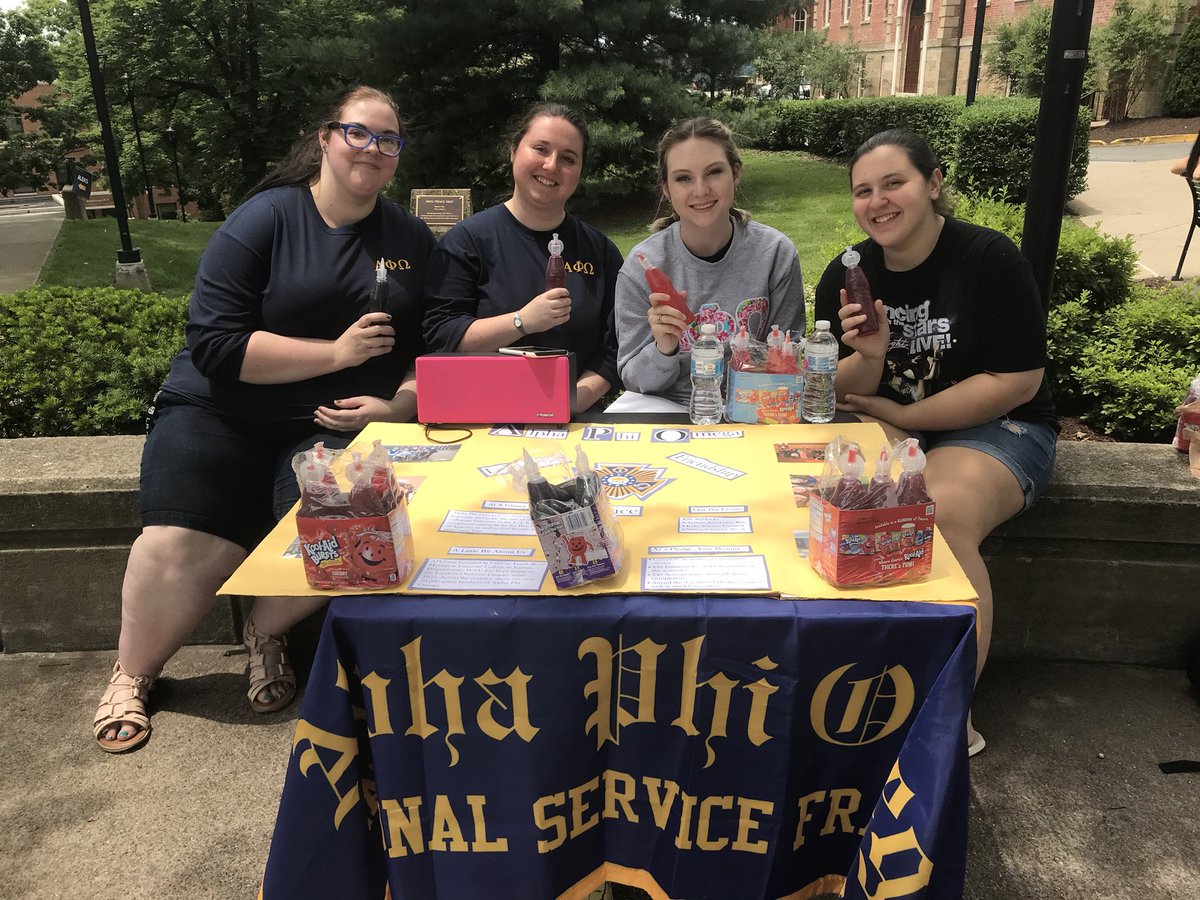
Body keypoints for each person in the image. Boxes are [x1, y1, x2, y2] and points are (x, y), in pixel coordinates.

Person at [92, 86, 436, 753]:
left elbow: (432, 342)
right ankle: (132, 673)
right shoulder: (265, 219)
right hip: (218, 408)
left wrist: (400, 402)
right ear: (326, 137)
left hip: (324, 423)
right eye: (359, 133)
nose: (373, 149)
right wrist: (335, 353)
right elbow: (215, 345)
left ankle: (265, 631)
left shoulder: (408, 238)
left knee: (345, 541)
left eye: (388, 140)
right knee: (179, 543)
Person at [815, 128, 1058, 757]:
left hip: (998, 427)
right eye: (863, 191)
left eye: (894, 183)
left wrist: (905, 410)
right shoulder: (848, 272)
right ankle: (854, 685)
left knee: (938, 519)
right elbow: (835, 387)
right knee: (827, 495)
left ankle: (952, 719)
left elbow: (1017, 379)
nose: (878, 202)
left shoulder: (986, 258)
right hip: (895, 419)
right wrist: (869, 356)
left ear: (933, 183)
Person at [422, 103, 620, 413]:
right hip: (481, 416)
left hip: (573, 417)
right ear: (513, 151)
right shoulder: (468, 241)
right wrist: (521, 321)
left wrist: (570, 402)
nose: (551, 165)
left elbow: (613, 348)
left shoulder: (600, 251)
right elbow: (441, 335)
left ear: (579, 172)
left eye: (568, 158)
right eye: (540, 149)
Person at [609, 116, 805, 414]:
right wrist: (664, 347)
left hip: (753, 407)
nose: (700, 190)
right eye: (683, 178)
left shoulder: (775, 254)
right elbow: (634, 379)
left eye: (713, 172)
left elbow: (787, 363)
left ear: (735, 174)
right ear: (666, 188)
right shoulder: (640, 269)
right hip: (667, 407)